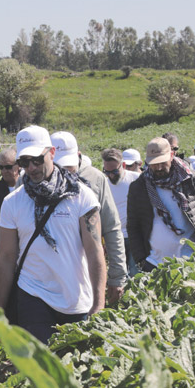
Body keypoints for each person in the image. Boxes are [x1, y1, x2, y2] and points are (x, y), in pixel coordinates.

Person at [0, 126, 106, 343]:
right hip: (32, 295)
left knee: (75, 371)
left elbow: (94, 251)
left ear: (52, 153)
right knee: (40, 369)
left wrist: (98, 303)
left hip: (75, 299)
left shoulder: (81, 196)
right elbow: (6, 257)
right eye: (24, 162)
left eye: (36, 159)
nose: (31, 167)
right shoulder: (12, 202)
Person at [53, 130, 126, 306]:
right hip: (49, 274)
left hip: (87, 270)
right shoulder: (34, 180)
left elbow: (111, 227)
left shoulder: (95, 178)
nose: (63, 172)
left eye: (68, 167)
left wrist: (117, 275)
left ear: (78, 156)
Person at [126, 136, 195, 270]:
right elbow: (133, 225)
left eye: (162, 162)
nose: (158, 168)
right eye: (154, 164)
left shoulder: (193, 181)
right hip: (154, 263)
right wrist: (141, 259)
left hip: (191, 261)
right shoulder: (139, 187)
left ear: (171, 155)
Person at [102, 148, 142, 276]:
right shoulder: (103, 184)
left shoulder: (137, 180)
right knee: (119, 276)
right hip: (114, 237)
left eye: (114, 171)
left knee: (135, 274)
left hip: (135, 236)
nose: (111, 175)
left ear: (123, 165)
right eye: (107, 172)